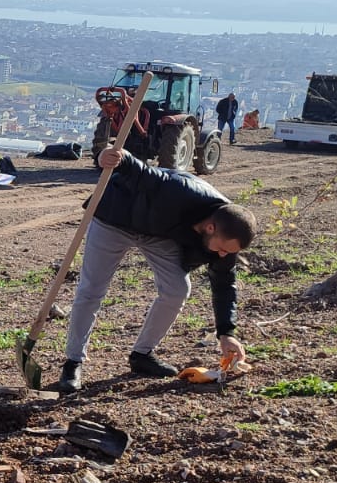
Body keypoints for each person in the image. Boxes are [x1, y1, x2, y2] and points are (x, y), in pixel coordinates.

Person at [53, 146, 256, 395]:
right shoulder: (180, 191)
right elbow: (140, 172)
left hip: (159, 234)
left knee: (177, 289)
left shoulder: (227, 236)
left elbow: (225, 283)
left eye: (228, 252)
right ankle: (73, 362)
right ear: (211, 228)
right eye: (223, 249)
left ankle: (142, 355)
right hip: (116, 218)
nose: (223, 255)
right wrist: (114, 156)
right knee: (92, 289)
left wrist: (226, 333)